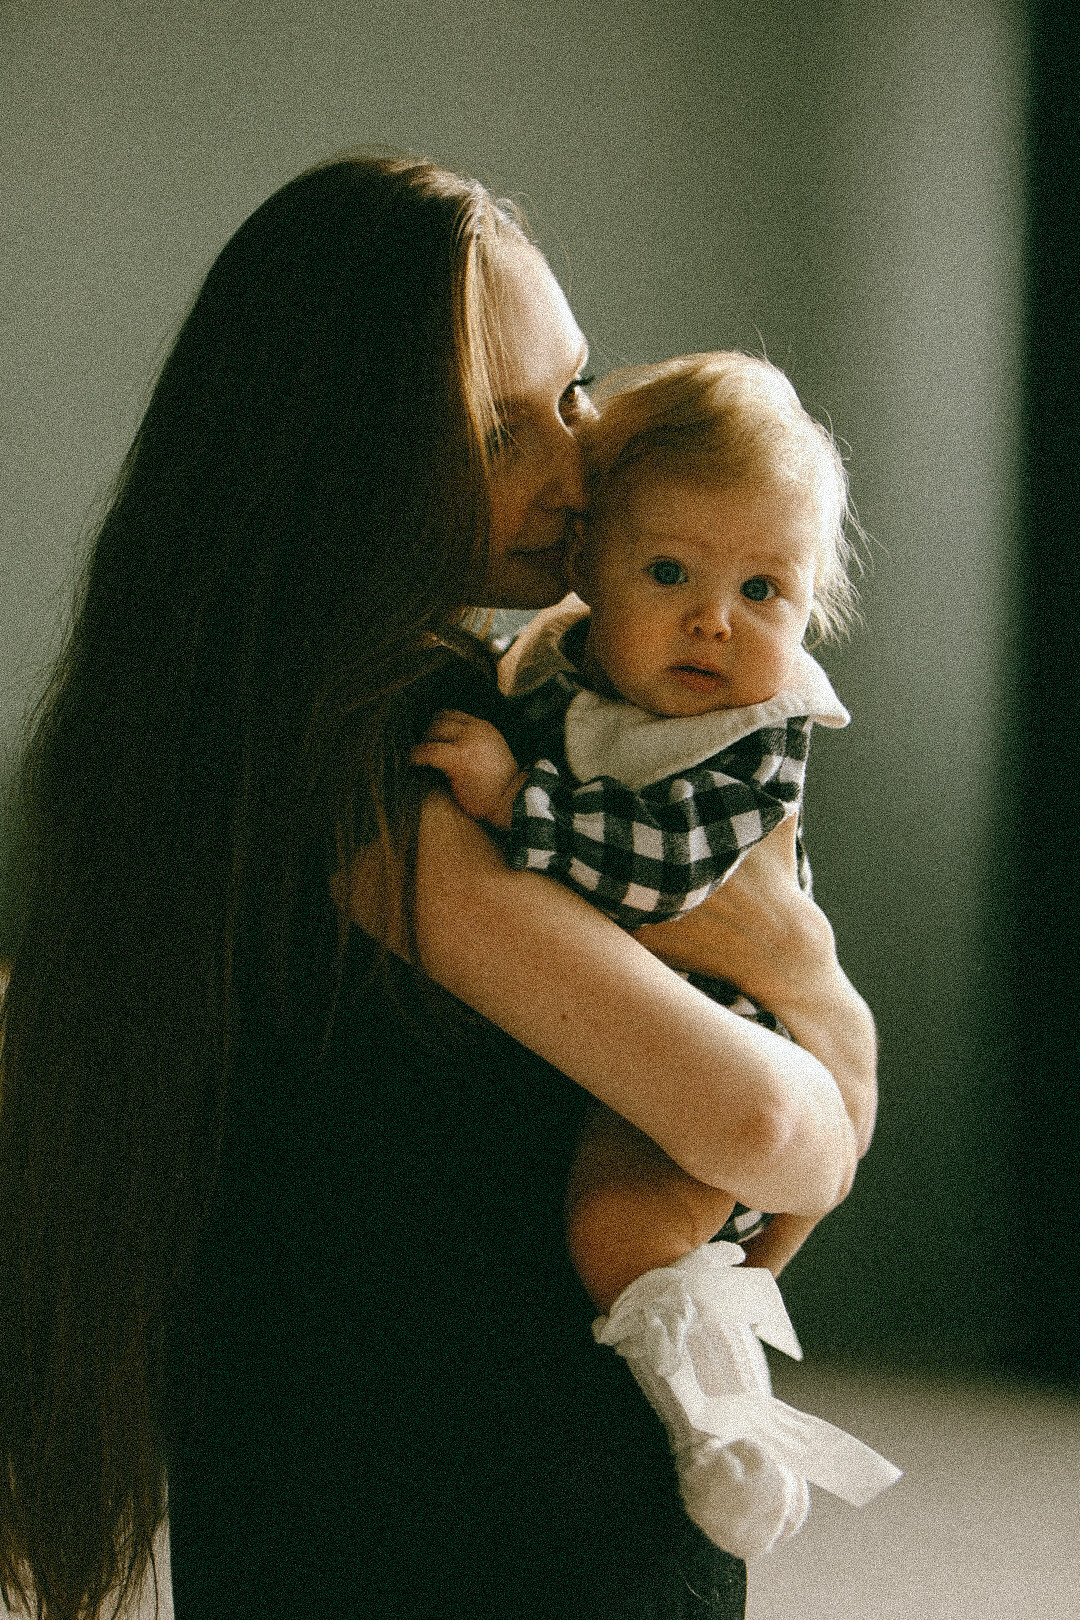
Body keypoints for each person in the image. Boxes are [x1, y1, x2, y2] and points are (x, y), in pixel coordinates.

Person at [0, 157, 875, 1620]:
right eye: (494, 424)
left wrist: (812, 988)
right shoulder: (377, 755)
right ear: (345, 455)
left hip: (374, 1490)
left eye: (575, 389)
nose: (578, 459)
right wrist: (821, 1028)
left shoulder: (414, 708)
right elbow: (765, 1126)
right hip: (475, 1520)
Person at [413, 352, 899, 1559]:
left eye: (765, 590)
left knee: (621, 1233)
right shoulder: (555, 671)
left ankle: (722, 1432)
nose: (713, 619)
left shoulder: (748, 737)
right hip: (612, 1029)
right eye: (670, 572)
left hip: (729, 1024)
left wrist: (517, 800)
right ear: (588, 570)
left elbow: (665, 870)